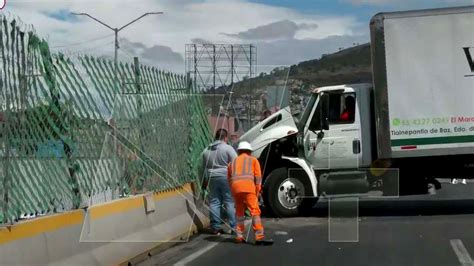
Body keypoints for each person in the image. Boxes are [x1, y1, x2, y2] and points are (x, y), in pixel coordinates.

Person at [228, 141, 273, 245]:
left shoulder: (232, 162)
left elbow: (229, 178)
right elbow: (258, 178)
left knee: (239, 212)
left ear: (239, 151)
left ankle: (239, 236)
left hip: (235, 189)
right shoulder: (253, 160)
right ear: (249, 151)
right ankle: (259, 237)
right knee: (255, 211)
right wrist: (258, 191)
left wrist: (233, 190)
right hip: (248, 188)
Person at [200, 129, 237, 235]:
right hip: (226, 177)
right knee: (229, 202)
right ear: (225, 138)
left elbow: (203, 168)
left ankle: (215, 227)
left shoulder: (206, 150)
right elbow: (236, 162)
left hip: (212, 178)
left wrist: (204, 181)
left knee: (215, 202)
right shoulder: (228, 148)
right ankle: (234, 227)